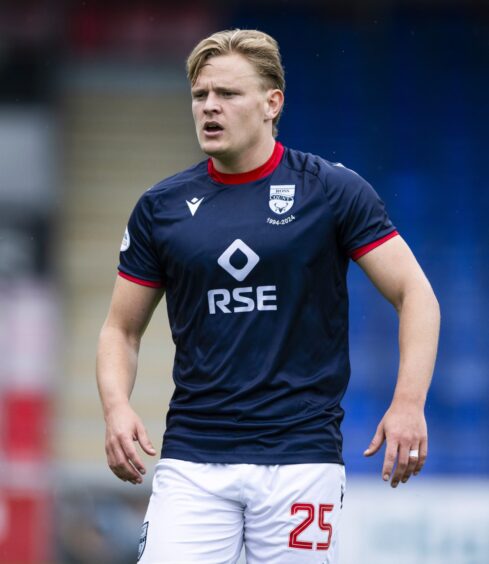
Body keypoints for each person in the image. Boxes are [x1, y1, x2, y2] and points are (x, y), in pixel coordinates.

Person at [96, 28, 440, 564]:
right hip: (194, 459)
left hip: (301, 459)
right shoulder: (161, 207)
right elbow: (121, 328)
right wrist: (116, 407)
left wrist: (409, 403)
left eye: (228, 94)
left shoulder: (330, 190)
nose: (209, 107)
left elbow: (415, 293)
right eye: (200, 95)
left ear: (271, 103)